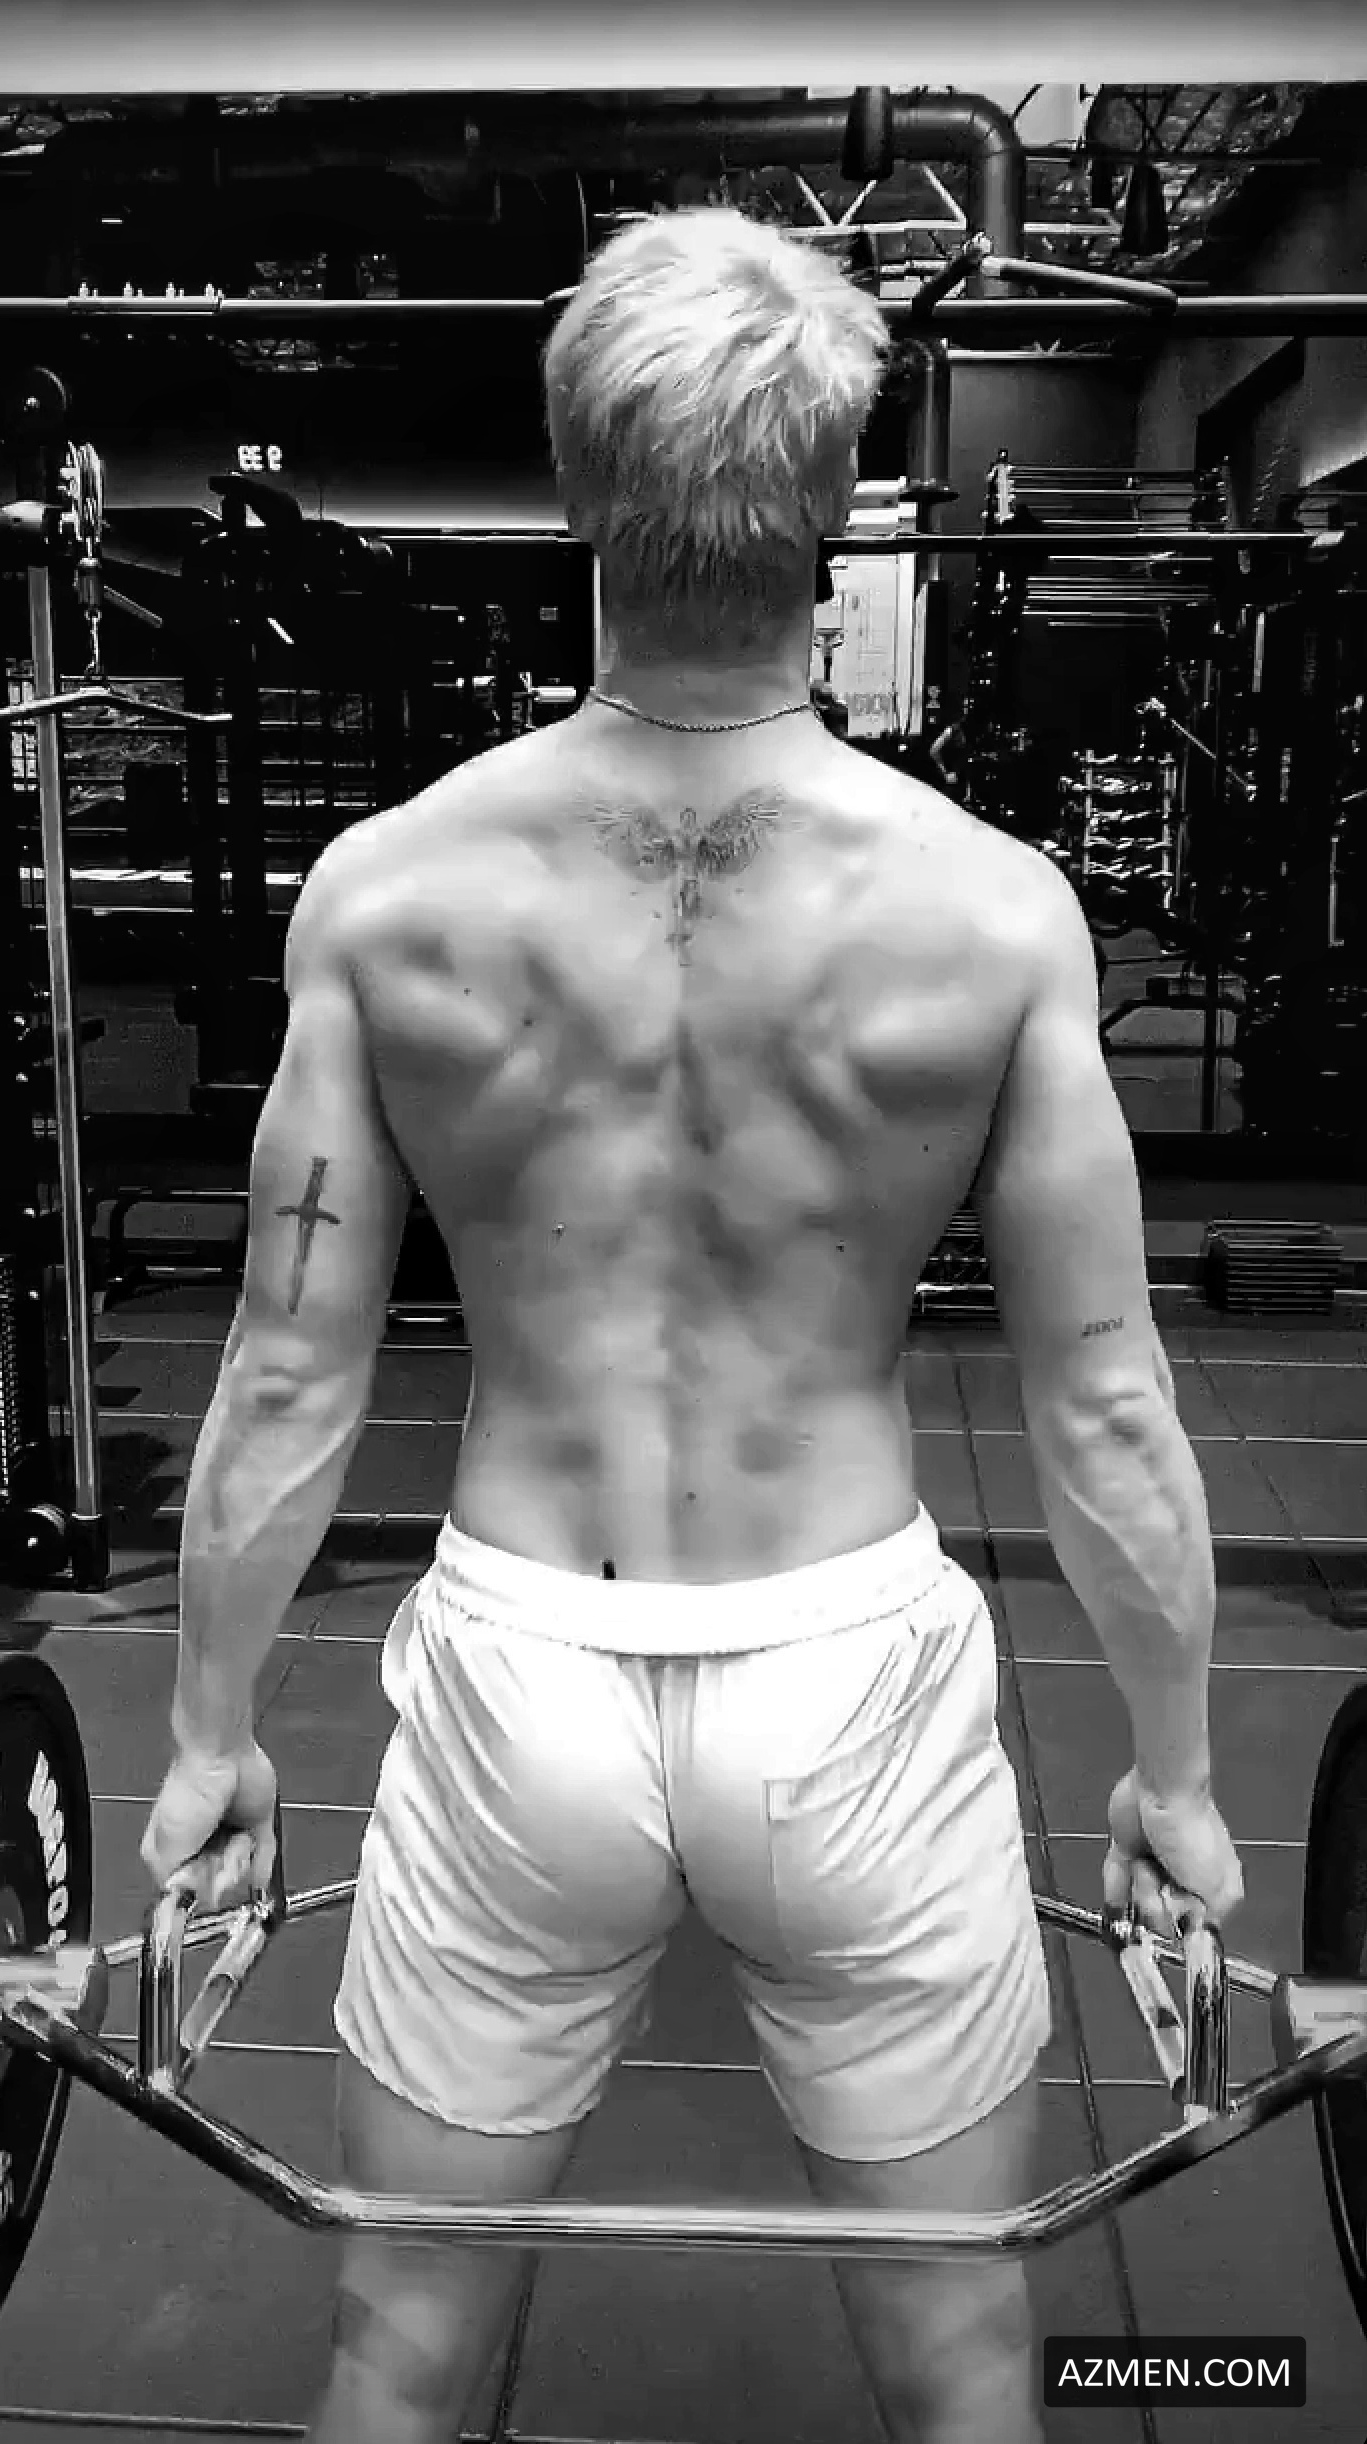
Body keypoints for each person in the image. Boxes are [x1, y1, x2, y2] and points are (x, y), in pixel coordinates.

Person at [141, 207, 1243, 2444]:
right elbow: (1105, 1400)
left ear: (573, 489)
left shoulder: (390, 890)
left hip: (521, 1674)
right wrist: (1177, 1770)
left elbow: (289, 1363)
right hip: (849, 1677)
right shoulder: (992, 911)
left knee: (400, 2352)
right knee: (962, 2357)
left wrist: (207, 1727)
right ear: (836, 502)